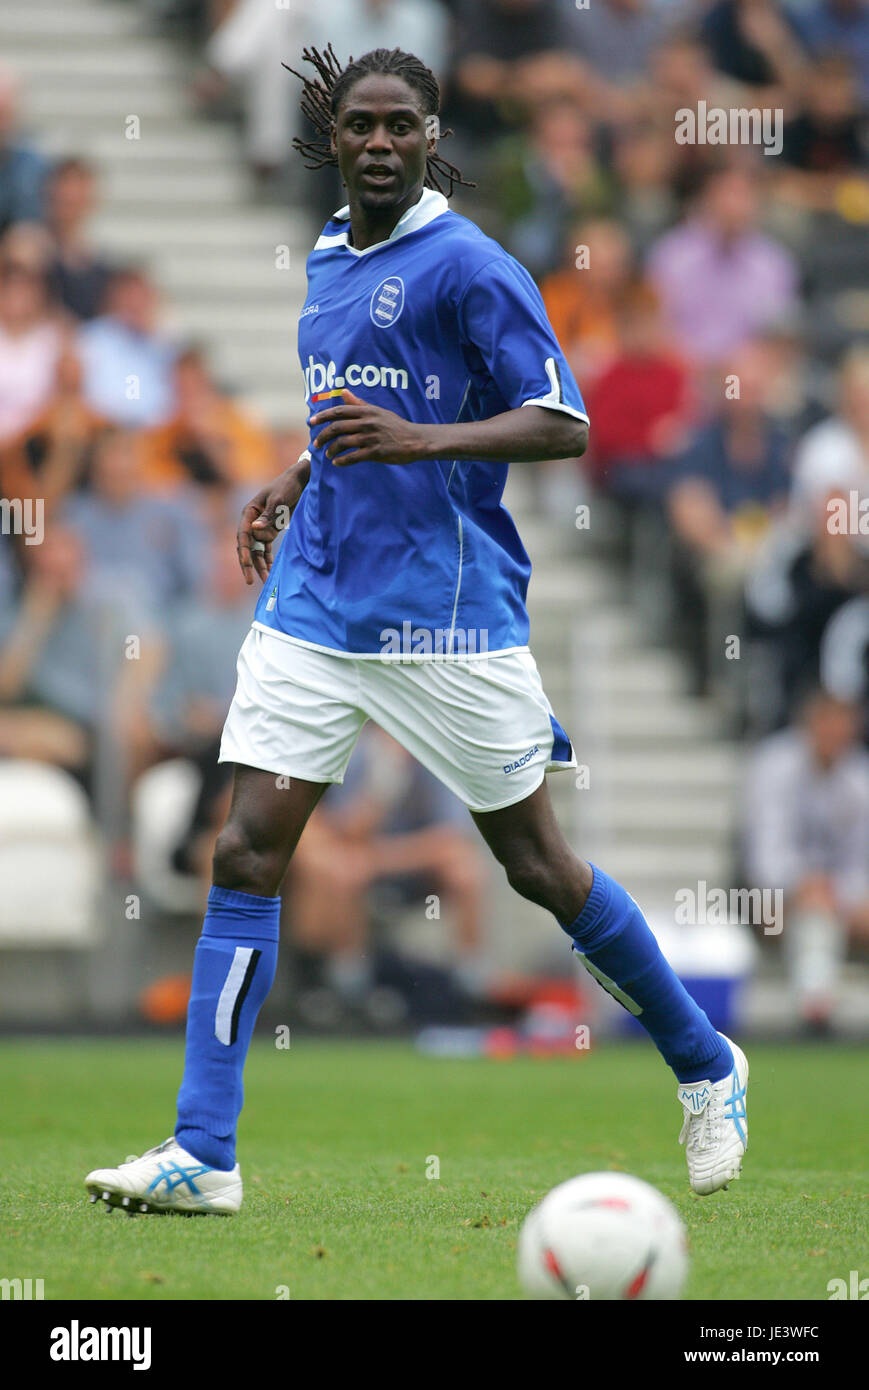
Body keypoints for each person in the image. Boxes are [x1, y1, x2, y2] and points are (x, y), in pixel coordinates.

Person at [84, 45, 748, 1217]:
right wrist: (294, 476)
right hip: (318, 597)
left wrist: (416, 444)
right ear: (331, 138)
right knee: (246, 849)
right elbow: (352, 395)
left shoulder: (471, 267)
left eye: (401, 125)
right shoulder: (332, 253)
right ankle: (203, 1149)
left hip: (442, 616)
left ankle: (705, 1063)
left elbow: (561, 422)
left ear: (434, 135)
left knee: (537, 864)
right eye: (360, 126)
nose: (380, 143)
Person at [743, 689, 869, 1031]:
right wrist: (805, 884)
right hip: (765, 900)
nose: (833, 734)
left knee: (825, 907)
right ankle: (816, 1008)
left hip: (838, 898)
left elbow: (861, 862)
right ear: (809, 723)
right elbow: (764, 860)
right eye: (826, 723)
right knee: (814, 913)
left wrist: (841, 893)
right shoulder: (774, 766)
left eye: (842, 724)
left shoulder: (860, 777)